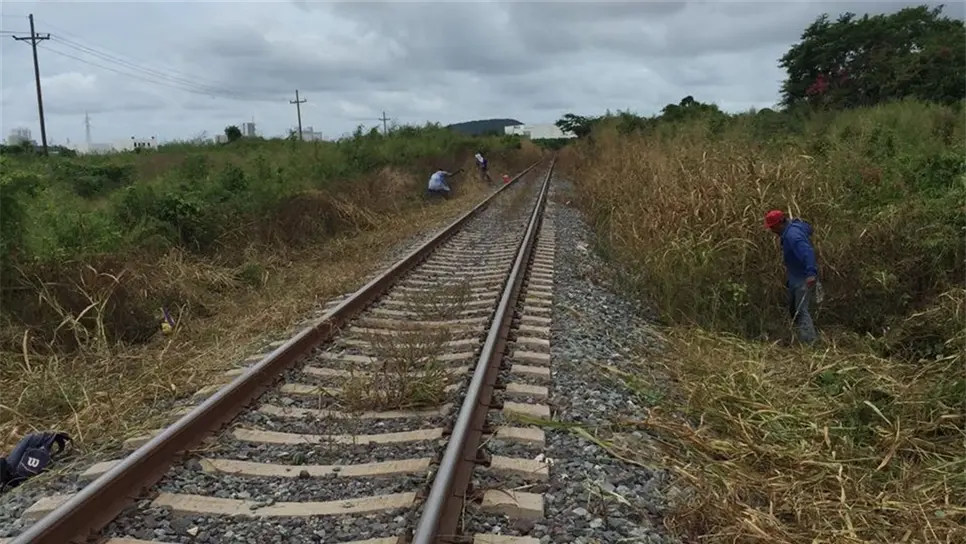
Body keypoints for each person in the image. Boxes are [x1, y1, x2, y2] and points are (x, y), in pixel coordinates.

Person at [765, 209, 821, 345]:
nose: (771, 230)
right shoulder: (794, 228)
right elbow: (808, 228)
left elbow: (807, 253)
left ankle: (810, 344)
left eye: (772, 226)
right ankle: (799, 337)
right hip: (796, 276)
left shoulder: (792, 236)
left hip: (803, 278)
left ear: (780, 224)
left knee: (801, 311)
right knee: (794, 309)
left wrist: (811, 274)